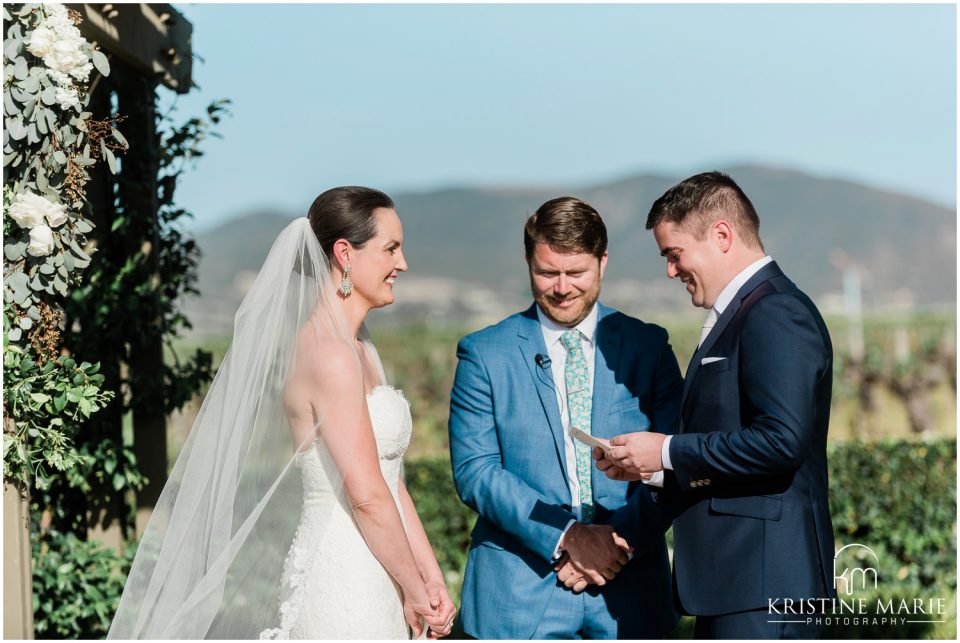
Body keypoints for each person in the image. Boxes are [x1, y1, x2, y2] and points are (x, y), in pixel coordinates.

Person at [109, 187, 456, 639]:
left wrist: (429, 580)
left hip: (386, 565)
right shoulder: (329, 354)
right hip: (346, 574)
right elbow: (367, 495)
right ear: (345, 254)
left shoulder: (360, 345)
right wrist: (413, 589)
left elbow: (393, 482)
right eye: (391, 248)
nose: (403, 263)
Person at [597, 172, 835, 639]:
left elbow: (781, 442)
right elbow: (732, 448)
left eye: (674, 253)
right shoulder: (743, 312)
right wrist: (651, 467)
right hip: (735, 588)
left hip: (766, 592)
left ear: (722, 235)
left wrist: (666, 451)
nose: (670, 270)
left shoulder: (775, 311)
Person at [448, 196, 683, 639]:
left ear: (603, 262)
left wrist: (617, 543)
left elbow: (675, 461)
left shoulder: (649, 347)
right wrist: (568, 536)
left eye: (575, 272)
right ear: (527, 262)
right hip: (519, 596)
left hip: (631, 593)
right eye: (546, 272)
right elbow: (475, 471)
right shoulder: (483, 353)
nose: (561, 288)